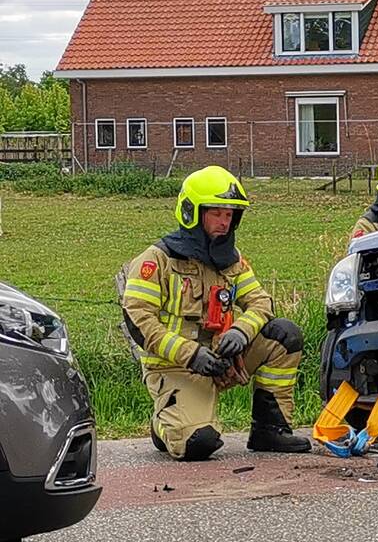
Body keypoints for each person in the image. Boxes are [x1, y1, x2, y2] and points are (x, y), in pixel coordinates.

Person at [120, 166, 310, 461]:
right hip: (174, 368)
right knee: (200, 444)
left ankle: (271, 430)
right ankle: (163, 424)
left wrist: (240, 331)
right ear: (192, 213)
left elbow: (261, 303)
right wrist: (191, 355)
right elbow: (139, 321)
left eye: (230, 215)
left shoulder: (232, 261)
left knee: (284, 335)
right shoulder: (156, 261)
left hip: (222, 360)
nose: (224, 222)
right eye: (216, 213)